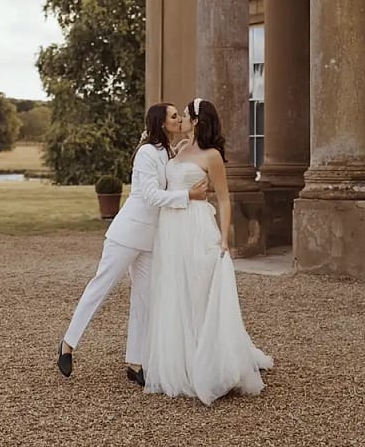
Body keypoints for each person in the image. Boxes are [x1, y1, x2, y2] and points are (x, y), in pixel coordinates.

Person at [58, 103, 207, 385]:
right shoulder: (146, 153)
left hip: (151, 239)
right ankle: (67, 344)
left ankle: (135, 361)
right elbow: (150, 196)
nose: (178, 119)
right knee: (100, 287)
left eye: (178, 115)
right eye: (174, 116)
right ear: (161, 123)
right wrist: (188, 196)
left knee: (144, 299)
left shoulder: (166, 152)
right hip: (127, 233)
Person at [142, 97, 273, 405]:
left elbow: (225, 200)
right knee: (175, 290)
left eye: (185, 115)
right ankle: (179, 360)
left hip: (197, 225)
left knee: (199, 292)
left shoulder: (212, 156)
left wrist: (225, 240)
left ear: (197, 120)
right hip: (171, 228)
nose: (182, 119)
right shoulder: (180, 149)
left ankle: (207, 360)